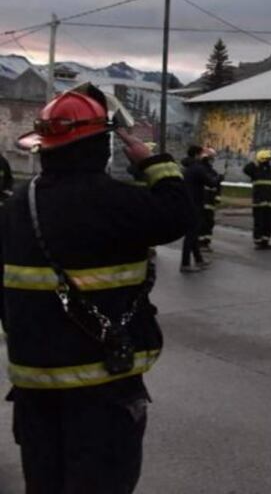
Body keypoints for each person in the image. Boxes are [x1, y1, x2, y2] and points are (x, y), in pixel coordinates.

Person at [1, 87, 193, 493]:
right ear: (101, 146)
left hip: (34, 386)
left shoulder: (17, 205)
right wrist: (154, 163)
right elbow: (179, 214)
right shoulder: (115, 202)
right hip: (104, 387)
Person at [180, 145, 219, 273]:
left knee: (193, 234)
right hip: (195, 204)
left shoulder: (187, 167)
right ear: (197, 154)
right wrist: (218, 178)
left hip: (187, 203)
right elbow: (211, 182)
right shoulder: (197, 168)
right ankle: (185, 264)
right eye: (201, 153)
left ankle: (199, 260)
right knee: (191, 235)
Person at [243, 149, 271, 250]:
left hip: (270, 203)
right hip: (259, 202)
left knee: (269, 223)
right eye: (267, 159)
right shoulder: (255, 170)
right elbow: (246, 169)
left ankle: (265, 241)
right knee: (259, 222)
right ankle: (258, 241)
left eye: (269, 159)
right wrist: (253, 161)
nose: (268, 161)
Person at [199, 147, 222, 252]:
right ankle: (200, 243)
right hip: (201, 201)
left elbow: (217, 187)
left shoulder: (213, 172)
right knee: (202, 222)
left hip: (210, 202)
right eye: (211, 159)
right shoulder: (200, 171)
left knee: (209, 222)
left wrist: (217, 197)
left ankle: (206, 242)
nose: (212, 161)